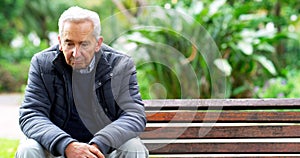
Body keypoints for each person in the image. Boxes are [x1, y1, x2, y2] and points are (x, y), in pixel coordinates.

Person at [15, 6, 149, 158]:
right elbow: (32, 114)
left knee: (133, 148)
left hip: (103, 150)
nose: (76, 53)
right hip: (57, 149)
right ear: (60, 42)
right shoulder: (41, 63)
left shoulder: (121, 65)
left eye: (84, 44)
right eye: (69, 43)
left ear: (98, 43)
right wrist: (67, 145)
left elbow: (133, 115)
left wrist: (99, 144)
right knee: (28, 149)